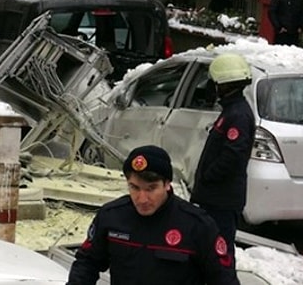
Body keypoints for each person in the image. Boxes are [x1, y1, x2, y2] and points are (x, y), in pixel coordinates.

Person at [67, 145, 239, 285]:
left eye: (151, 189)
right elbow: (87, 263)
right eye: (134, 187)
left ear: (167, 184)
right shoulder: (112, 217)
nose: (142, 199)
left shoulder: (197, 225)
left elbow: (224, 279)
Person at [190, 53, 256, 271]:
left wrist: (208, 177)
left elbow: (232, 156)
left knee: (221, 251)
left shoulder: (238, 115)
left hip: (222, 199)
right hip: (215, 197)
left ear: (224, 85)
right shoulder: (231, 111)